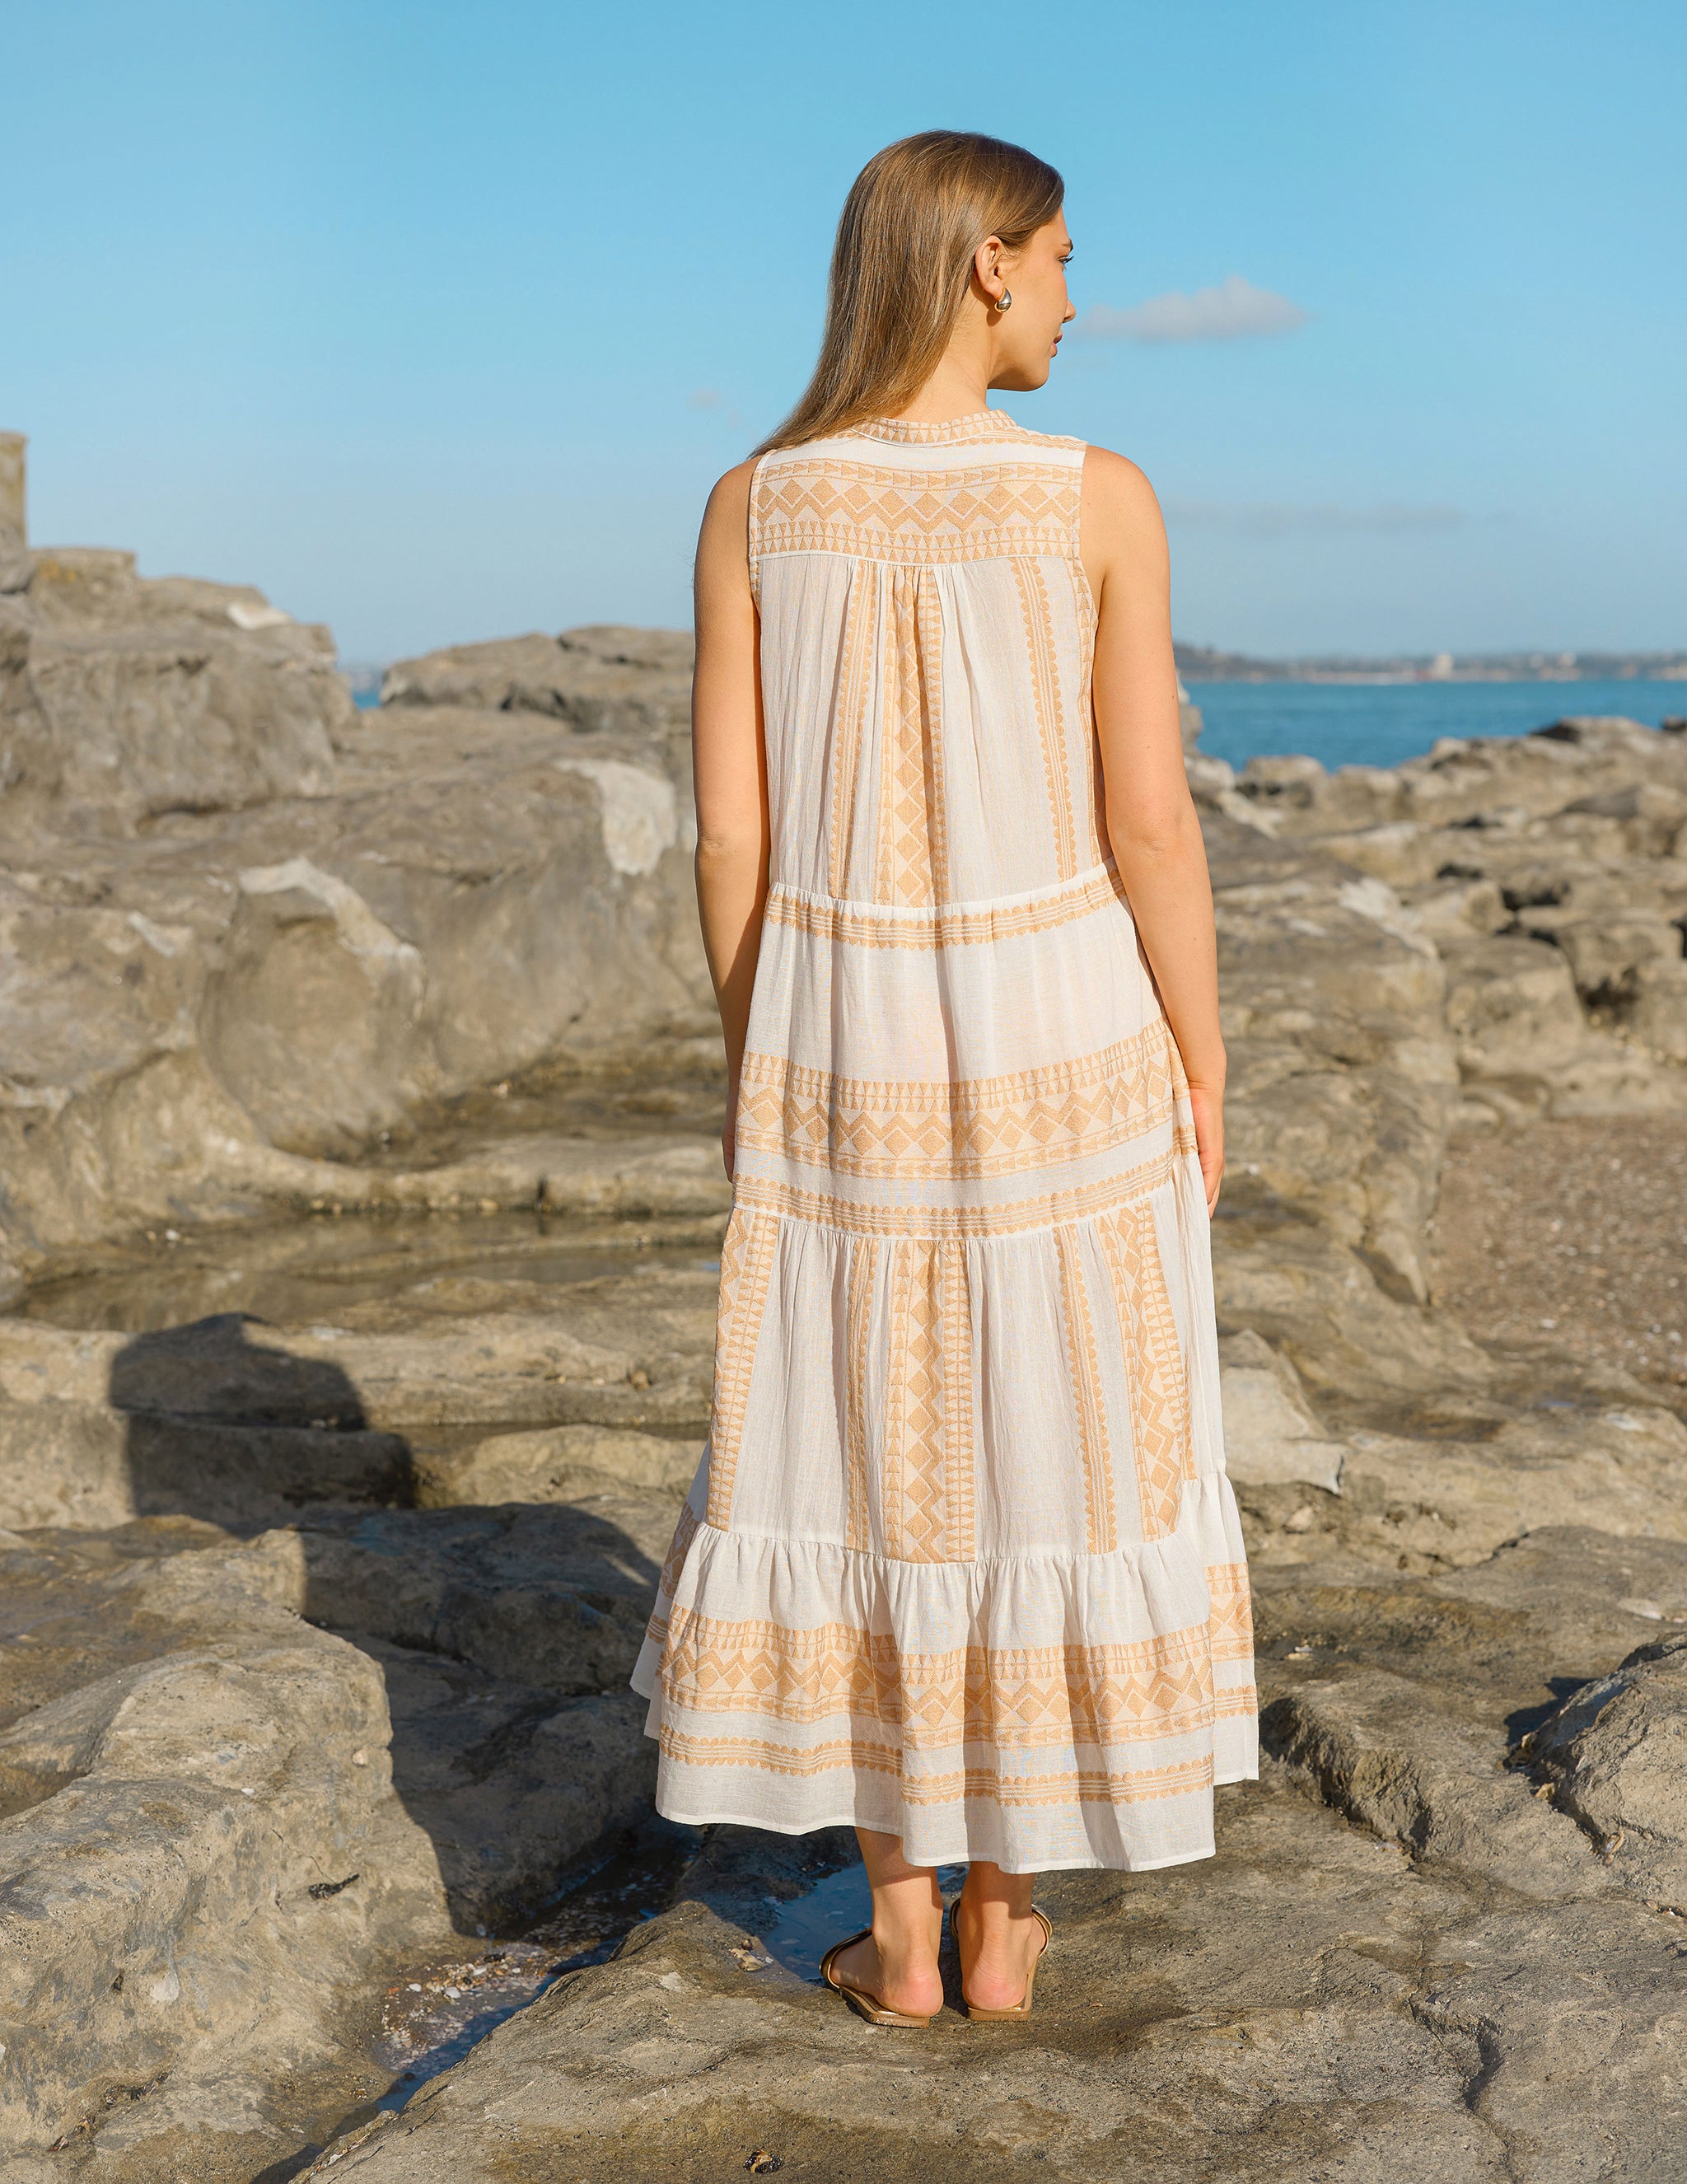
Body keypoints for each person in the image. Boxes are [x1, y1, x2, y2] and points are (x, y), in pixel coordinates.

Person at [632, 129, 1257, 2027]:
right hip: (1065, 1020)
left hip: (838, 1033)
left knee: (858, 1447)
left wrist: (760, 1056)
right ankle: (1006, 1919)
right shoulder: (1098, 500)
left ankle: (895, 1935)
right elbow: (1148, 824)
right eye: (1061, 258)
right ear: (985, 264)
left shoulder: (752, 505)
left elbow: (728, 844)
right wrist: (1204, 1054)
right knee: (1052, 1442)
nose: (1077, 296)